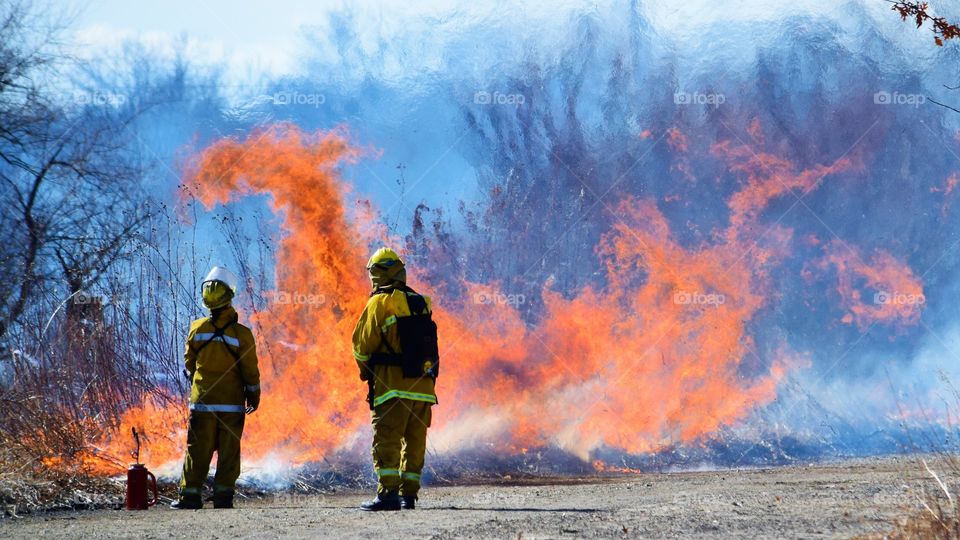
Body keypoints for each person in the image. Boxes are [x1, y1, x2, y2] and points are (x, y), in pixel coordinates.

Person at [352, 248, 439, 511]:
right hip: (424, 388)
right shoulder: (421, 302)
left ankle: (388, 494)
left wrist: (366, 372)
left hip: (393, 388)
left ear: (380, 273)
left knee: (387, 439)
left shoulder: (378, 302)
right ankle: (408, 496)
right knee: (415, 442)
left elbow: (361, 346)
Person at [171, 266, 261, 510]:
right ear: (229, 298)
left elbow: (189, 363)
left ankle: (189, 496)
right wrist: (253, 396)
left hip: (202, 403)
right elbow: (250, 372)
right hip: (231, 406)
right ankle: (223, 498)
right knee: (229, 453)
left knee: (197, 450)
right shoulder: (242, 335)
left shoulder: (197, 328)